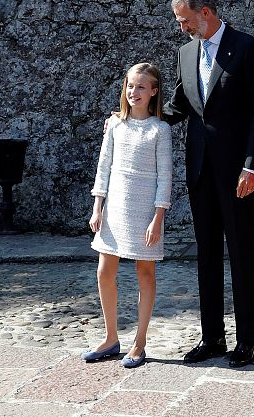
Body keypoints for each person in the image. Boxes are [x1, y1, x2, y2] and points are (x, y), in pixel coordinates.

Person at [163, 0, 254, 367]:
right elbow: (179, 106)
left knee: (242, 253)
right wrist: (137, 114)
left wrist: (253, 166)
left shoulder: (246, 47)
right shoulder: (186, 52)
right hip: (200, 172)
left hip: (239, 173)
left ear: (205, 13)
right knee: (206, 254)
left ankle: (247, 340)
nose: (183, 27)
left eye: (185, 20)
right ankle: (211, 337)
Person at [83, 62, 172, 368]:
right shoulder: (115, 125)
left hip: (145, 210)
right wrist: (98, 207)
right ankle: (110, 338)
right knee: (104, 271)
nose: (134, 92)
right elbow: (103, 167)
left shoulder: (160, 130)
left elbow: (165, 177)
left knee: (145, 274)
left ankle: (140, 342)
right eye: (130, 86)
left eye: (142, 87)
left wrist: (157, 218)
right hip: (114, 209)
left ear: (154, 92)